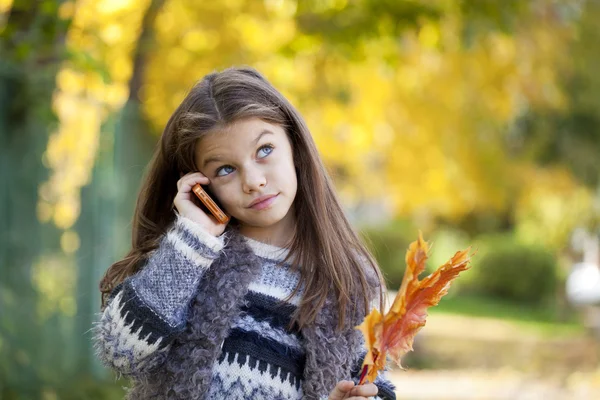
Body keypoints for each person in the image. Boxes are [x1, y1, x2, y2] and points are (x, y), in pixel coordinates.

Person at [94, 67, 396, 400]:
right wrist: (193, 238)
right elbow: (120, 351)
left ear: (294, 144)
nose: (253, 181)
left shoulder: (349, 279)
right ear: (201, 184)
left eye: (264, 150)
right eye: (225, 169)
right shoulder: (187, 256)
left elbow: (371, 380)